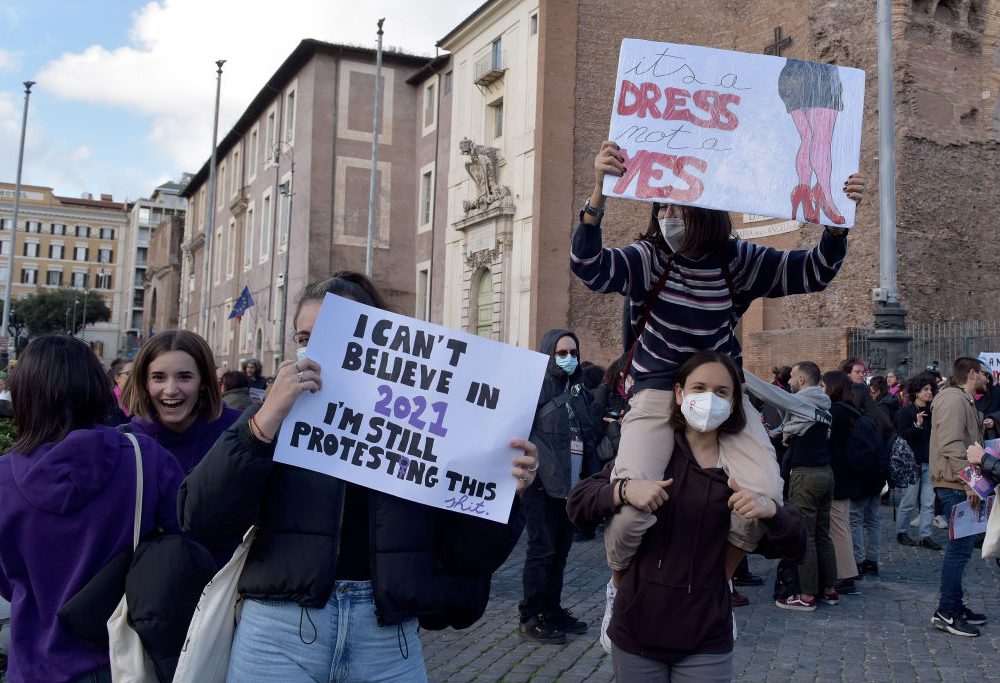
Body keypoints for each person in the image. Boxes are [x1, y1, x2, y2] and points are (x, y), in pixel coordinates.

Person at [572, 139, 863, 642]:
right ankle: (620, 590)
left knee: (764, 497)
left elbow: (813, 272)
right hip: (660, 393)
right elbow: (590, 267)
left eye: (677, 206)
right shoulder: (647, 259)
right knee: (632, 513)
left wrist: (837, 222)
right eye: (661, 206)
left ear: (705, 212)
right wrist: (598, 191)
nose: (667, 215)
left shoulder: (738, 262)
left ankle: (716, 587)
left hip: (724, 396)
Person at [179, 272, 536, 680]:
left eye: (333, 333)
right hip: (278, 634)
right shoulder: (273, 419)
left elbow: (468, 555)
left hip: (385, 642)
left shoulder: (433, 430)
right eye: (303, 338)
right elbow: (201, 516)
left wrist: (503, 493)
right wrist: (261, 426)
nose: (313, 349)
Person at [566, 351, 806, 679]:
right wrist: (622, 491)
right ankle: (615, 587)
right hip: (638, 627)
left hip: (706, 631)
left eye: (721, 392)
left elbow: (796, 545)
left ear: (735, 401)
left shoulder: (744, 465)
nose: (709, 399)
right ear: (679, 393)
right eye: (699, 388)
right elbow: (578, 504)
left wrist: (772, 512)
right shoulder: (649, 454)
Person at [0, 335, 185, 683]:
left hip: (33, 665)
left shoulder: (3, 479)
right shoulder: (145, 458)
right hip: (124, 660)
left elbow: (7, 580)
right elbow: (182, 544)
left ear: (23, 394)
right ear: (96, 386)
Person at [519, 328, 605, 643]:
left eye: (573, 353)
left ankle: (552, 609)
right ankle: (531, 615)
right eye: (562, 353)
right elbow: (522, 431)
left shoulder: (579, 389)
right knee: (542, 550)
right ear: (549, 354)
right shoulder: (536, 387)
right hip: (542, 483)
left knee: (561, 551)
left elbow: (590, 430)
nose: (568, 359)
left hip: (573, 484)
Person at [745, 361, 838, 611]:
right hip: (825, 473)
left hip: (805, 474)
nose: (787, 382)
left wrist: (736, 369)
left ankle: (806, 595)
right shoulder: (823, 407)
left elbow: (769, 392)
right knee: (822, 533)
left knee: (805, 535)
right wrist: (779, 432)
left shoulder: (802, 402)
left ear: (802, 381)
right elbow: (804, 430)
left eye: (792, 377)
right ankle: (829, 588)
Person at [122, 330, 242, 474]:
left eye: (184, 377)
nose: (171, 390)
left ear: (203, 381)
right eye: (158, 377)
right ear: (145, 382)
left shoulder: (242, 430)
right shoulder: (123, 443)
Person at [929, 357, 989, 637]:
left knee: (962, 550)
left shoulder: (962, 399)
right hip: (955, 484)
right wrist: (968, 483)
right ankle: (947, 611)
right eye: (984, 374)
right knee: (959, 549)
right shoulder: (953, 400)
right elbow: (952, 446)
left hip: (960, 481)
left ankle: (955, 605)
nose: (987, 379)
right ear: (972, 373)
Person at [778, 58, 846, 224]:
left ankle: (803, 189)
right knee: (822, 139)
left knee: (808, 137)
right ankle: (824, 194)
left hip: (791, 75)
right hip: (821, 77)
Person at [847, 377, 894, 578]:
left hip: (862, 476)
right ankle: (872, 560)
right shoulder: (879, 417)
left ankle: (857, 560)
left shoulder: (858, 420)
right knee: (873, 518)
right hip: (877, 476)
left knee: (856, 518)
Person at [823, 371, 861, 595]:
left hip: (838, 474)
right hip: (846, 473)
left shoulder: (836, 412)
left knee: (838, 525)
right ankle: (845, 570)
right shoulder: (850, 409)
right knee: (841, 523)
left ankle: (845, 574)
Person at [895, 375, 941, 549]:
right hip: (911, 463)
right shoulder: (905, 412)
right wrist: (917, 425)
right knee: (908, 500)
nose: (929, 392)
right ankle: (901, 532)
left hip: (930, 461)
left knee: (928, 502)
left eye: (931, 389)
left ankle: (926, 535)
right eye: (925, 389)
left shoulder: (934, 411)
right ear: (916, 392)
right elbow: (902, 437)